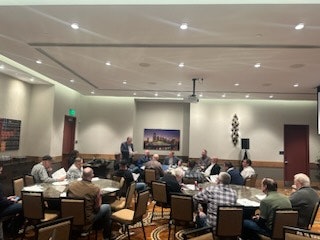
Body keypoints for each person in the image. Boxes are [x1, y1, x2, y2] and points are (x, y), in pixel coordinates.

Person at [67, 167, 112, 240]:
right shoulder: (96, 189)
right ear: (92, 176)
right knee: (107, 207)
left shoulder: (71, 186)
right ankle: (107, 236)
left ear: (82, 175)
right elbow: (97, 208)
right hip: (86, 221)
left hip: (71, 220)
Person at [0, 163, 24, 237]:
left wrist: (7, 198)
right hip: (1, 209)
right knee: (24, 207)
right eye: (0, 171)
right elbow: (1, 202)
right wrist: (11, 201)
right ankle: (13, 231)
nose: (1, 173)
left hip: (2, 204)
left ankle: (8, 229)